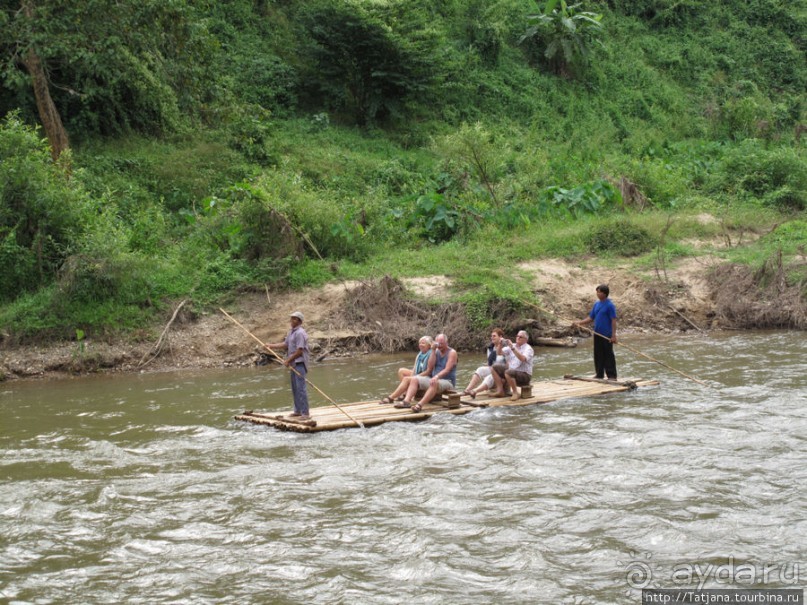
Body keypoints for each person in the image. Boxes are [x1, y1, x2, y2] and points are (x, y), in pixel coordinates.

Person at [395, 333, 458, 413]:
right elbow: (431, 366)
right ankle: (406, 401)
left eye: (441, 344)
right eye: (438, 343)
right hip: (434, 379)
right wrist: (433, 351)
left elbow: (447, 370)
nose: (439, 346)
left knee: (434, 382)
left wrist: (436, 377)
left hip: (447, 381)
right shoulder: (436, 351)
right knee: (415, 379)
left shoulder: (452, 352)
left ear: (446, 342)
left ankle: (420, 405)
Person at [266, 311, 311, 419]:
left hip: (299, 364)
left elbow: (300, 351)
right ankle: (298, 411)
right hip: (293, 364)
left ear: (299, 321)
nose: (291, 320)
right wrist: (271, 346)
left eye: (294, 319)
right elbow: (286, 344)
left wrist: (288, 360)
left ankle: (305, 413)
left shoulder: (300, 333)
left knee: (301, 389)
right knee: (295, 388)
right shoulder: (291, 332)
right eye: (291, 318)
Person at [573, 284, 618, 380]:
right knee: (598, 354)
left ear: (604, 293)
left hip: (606, 334)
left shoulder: (610, 305)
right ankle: (599, 374)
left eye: (599, 292)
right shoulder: (596, 304)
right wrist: (579, 323)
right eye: (597, 292)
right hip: (597, 333)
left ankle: (612, 375)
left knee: (608, 354)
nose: (597, 294)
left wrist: (613, 335)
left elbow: (613, 320)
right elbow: (591, 318)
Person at [379, 336, 433, 404]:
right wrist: (412, 375)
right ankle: (405, 393)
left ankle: (391, 398)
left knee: (406, 379)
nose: (420, 345)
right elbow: (414, 368)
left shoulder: (431, 354)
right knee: (401, 371)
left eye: (423, 343)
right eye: (420, 343)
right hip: (418, 374)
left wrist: (415, 377)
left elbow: (428, 371)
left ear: (429, 345)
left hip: (427, 377)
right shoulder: (420, 354)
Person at [461, 328, 506, 399]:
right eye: (491, 336)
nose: (492, 338)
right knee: (480, 369)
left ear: (500, 337)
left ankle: (475, 391)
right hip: (493, 369)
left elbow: (507, 363)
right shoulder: (490, 348)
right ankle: (467, 390)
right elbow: (489, 363)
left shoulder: (506, 347)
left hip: (502, 372)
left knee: (490, 376)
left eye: (494, 336)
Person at [491, 330, 535, 401]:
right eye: (517, 336)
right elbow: (499, 353)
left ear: (525, 340)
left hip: (525, 375)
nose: (518, 338)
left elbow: (522, 358)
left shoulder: (528, 349)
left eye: (520, 337)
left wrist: (512, 347)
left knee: (509, 372)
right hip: (513, 371)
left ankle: (515, 393)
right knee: (494, 367)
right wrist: (500, 344)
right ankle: (500, 391)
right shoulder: (513, 345)